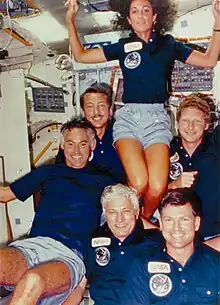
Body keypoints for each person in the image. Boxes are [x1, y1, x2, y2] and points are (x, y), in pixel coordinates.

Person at [65, 0, 220, 220]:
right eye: (134, 11)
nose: (140, 15)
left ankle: (142, 220)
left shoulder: (168, 45)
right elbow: (80, 56)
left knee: (156, 187)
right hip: (128, 118)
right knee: (138, 182)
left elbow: (210, 60)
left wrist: (218, 22)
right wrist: (69, 20)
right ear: (128, 19)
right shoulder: (122, 46)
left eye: (146, 10)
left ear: (155, 17)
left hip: (157, 118)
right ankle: (121, 221)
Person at [0, 118, 115, 305]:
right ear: (62, 145)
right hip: (33, 247)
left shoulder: (105, 182)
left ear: (92, 145)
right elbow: (5, 195)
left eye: (82, 144)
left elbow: (125, 214)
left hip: (70, 256)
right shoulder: (48, 172)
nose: (76, 151)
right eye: (70, 144)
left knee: (33, 281)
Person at [62, 185, 219, 305]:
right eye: (112, 212)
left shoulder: (155, 240)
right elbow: (80, 286)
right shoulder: (92, 243)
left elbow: (185, 243)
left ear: (137, 214)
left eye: (126, 211)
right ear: (105, 215)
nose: (119, 219)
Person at [119, 188, 220, 305]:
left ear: (196, 223)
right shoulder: (143, 265)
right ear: (161, 224)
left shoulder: (216, 264)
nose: (176, 228)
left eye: (184, 220)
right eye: (169, 220)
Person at [168, 94, 220, 240]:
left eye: (197, 121)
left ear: (207, 125)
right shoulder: (165, 149)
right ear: (177, 123)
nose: (190, 127)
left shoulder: (215, 144)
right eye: (185, 121)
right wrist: (174, 184)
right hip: (177, 236)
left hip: (215, 235)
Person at [56, 85, 126, 183]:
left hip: (117, 194)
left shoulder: (122, 134)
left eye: (101, 106)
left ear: (110, 110)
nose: (96, 112)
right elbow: (59, 171)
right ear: (83, 112)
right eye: (90, 107)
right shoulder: (73, 136)